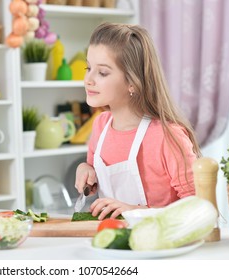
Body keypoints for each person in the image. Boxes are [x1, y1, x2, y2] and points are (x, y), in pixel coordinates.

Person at [75, 22, 201, 220]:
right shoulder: (101, 125)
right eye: (88, 67)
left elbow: (199, 207)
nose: (88, 79)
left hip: (161, 245)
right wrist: (85, 169)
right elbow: (92, 168)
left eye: (103, 72)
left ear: (132, 82)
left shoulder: (167, 136)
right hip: (116, 243)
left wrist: (135, 212)